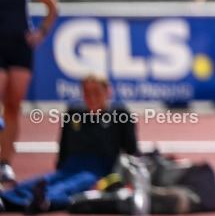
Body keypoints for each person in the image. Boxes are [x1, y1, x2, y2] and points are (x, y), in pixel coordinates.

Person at [0, 73, 137, 212]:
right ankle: (6, 199)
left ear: (108, 91)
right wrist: (61, 166)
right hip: (69, 166)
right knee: (41, 181)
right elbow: (63, 146)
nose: (92, 97)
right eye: (87, 93)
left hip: (98, 170)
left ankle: (45, 202)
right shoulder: (73, 113)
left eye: (97, 92)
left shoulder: (121, 114)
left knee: (72, 186)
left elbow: (132, 151)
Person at [0, 0, 59, 184]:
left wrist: (41, 32)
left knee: (13, 107)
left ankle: (5, 162)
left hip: (20, 47)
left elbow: (52, 4)